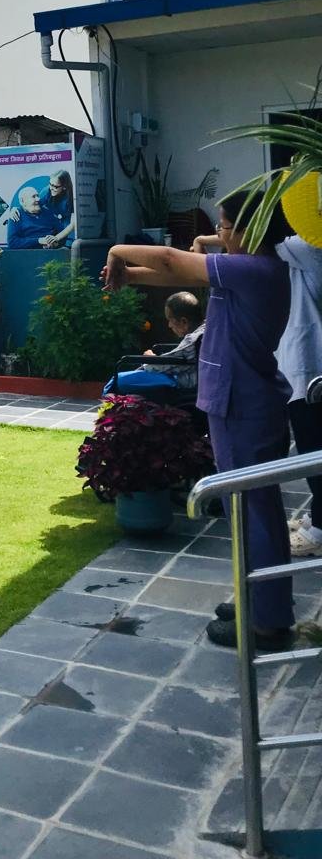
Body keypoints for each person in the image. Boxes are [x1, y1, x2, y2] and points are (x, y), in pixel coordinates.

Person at [102, 188, 294, 650]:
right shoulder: (248, 267)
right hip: (238, 404)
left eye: (225, 227)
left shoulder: (254, 269)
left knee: (254, 514)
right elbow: (175, 270)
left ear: (251, 230)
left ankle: (267, 622)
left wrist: (117, 251)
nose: (220, 236)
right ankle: (256, 597)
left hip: (244, 407)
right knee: (245, 512)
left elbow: (171, 260)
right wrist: (128, 275)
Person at [275, 235, 322, 558]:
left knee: (313, 450)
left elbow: (256, 239)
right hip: (306, 363)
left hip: (309, 366)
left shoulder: (307, 247)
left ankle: (319, 531)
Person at [106, 290, 205, 397]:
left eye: (170, 320)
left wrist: (150, 358)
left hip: (181, 382)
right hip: (185, 376)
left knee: (117, 380)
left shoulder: (194, 340)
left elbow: (164, 365)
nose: (169, 325)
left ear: (184, 322)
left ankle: (108, 404)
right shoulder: (206, 330)